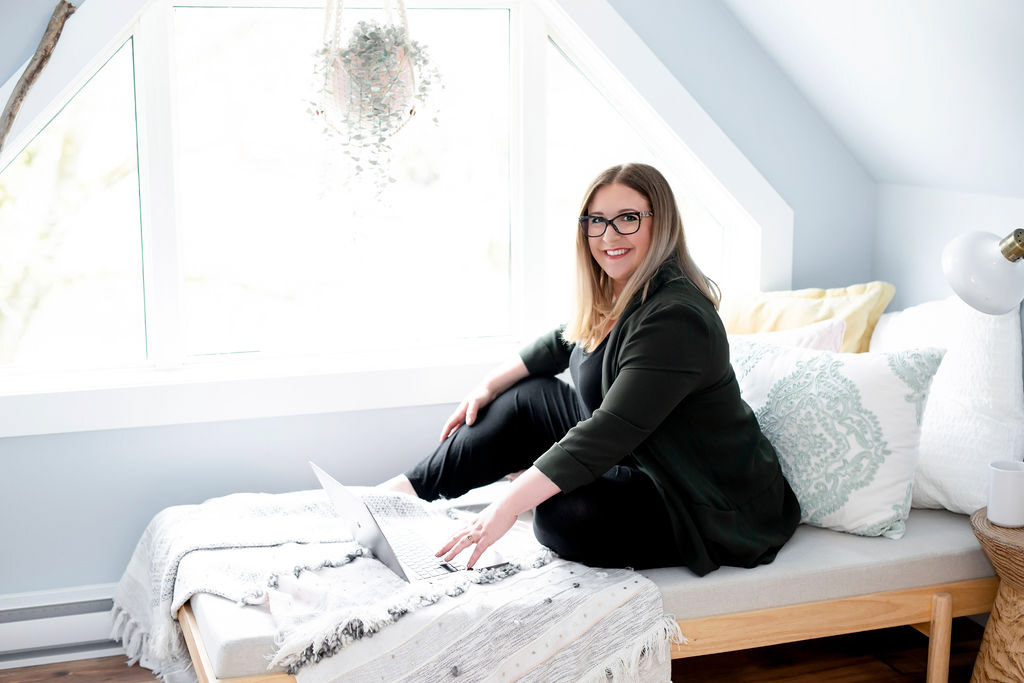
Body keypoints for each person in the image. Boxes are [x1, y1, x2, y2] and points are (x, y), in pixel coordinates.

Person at [380, 163, 800, 576]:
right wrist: (487, 386)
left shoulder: (676, 319)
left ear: (661, 224)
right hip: (637, 452)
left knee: (563, 513)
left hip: (694, 492)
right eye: (596, 221)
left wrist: (506, 506)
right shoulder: (618, 293)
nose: (609, 236)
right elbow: (558, 343)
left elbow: (608, 431)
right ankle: (394, 497)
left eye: (628, 218)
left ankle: (525, 486)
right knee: (525, 399)